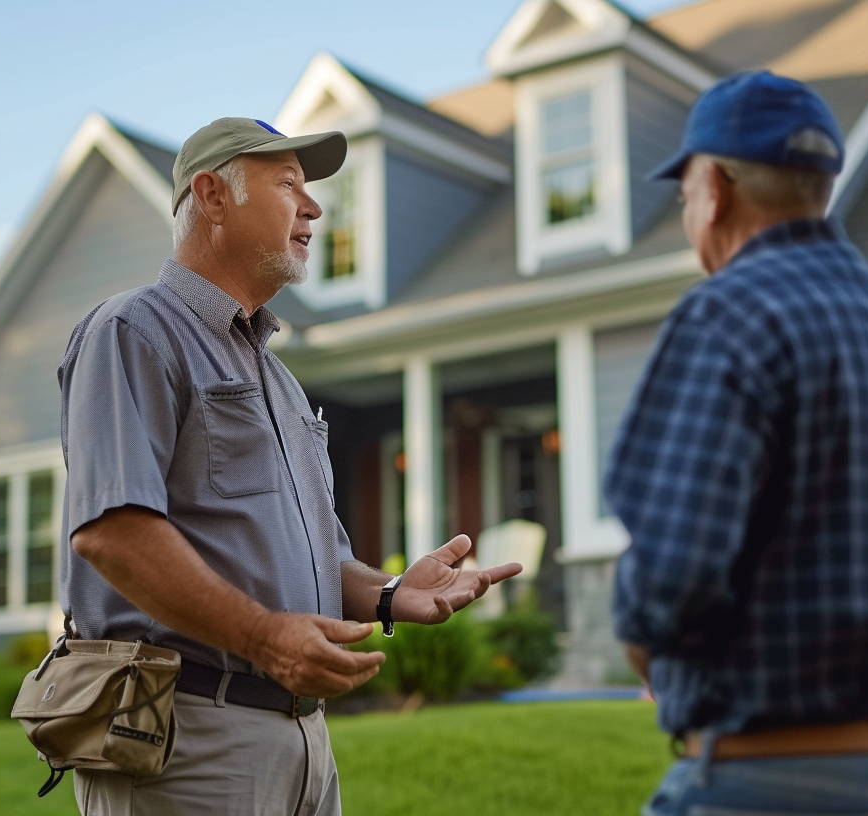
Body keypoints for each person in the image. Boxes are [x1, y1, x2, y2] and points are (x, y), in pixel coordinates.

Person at [57, 117, 522, 816]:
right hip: (188, 742)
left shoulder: (279, 381)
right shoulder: (133, 331)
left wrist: (393, 594)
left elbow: (316, 561)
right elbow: (112, 533)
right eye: (288, 186)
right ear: (212, 197)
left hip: (303, 740)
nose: (313, 208)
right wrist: (262, 639)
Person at [606, 72, 868, 816]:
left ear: (714, 187)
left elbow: (670, 584)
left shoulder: (728, 312)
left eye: (684, 197)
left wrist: (644, 643)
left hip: (767, 782)